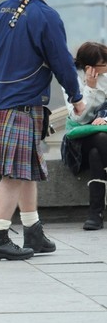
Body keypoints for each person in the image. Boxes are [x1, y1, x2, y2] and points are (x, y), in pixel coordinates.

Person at [0, 0, 85, 261]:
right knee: (12, 174)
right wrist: (76, 96)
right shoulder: (46, 17)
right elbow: (61, 61)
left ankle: (33, 231)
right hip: (21, 104)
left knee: (28, 169)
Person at [61, 42, 107, 230]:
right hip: (79, 141)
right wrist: (91, 88)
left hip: (102, 138)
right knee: (99, 140)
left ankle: (95, 214)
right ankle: (95, 214)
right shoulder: (72, 80)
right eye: (104, 65)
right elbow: (79, 118)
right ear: (90, 68)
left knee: (97, 152)